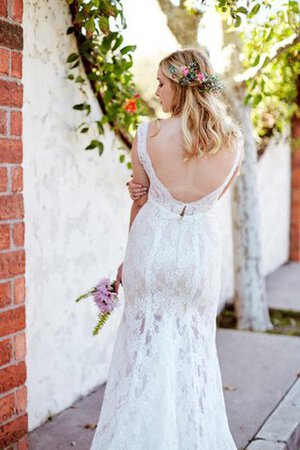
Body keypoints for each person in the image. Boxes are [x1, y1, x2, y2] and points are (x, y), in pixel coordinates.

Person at [90, 48, 244, 450]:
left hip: (152, 248)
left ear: (178, 85)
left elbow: (140, 201)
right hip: (198, 257)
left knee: (142, 351)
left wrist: (128, 258)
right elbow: (212, 199)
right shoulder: (234, 142)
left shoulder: (149, 134)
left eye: (161, 83)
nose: (156, 92)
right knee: (194, 352)